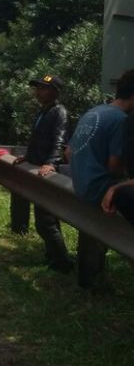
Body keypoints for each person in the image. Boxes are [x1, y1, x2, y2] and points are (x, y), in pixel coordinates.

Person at [66, 69, 134, 287]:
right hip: (101, 188)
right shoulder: (122, 121)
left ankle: (90, 279)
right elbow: (114, 166)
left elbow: (68, 152)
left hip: (81, 186)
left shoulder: (94, 112)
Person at [12, 74, 73, 273]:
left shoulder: (59, 112)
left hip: (46, 172)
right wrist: (27, 157)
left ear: (55, 91)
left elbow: (59, 141)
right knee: (47, 220)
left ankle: (62, 263)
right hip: (35, 168)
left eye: (43, 88)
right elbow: (37, 140)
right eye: (37, 88)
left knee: (45, 221)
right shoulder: (43, 112)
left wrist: (51, 163)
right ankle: (52, 256)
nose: (38, 91)